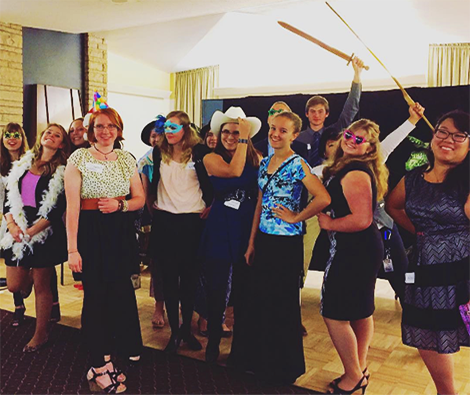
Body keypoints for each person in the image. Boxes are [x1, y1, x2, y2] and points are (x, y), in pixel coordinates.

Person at [386, 110, 470, 395]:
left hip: (462, 273)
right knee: (428, 337)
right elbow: (392, 206)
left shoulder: (466, 182)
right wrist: (422, 232)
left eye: (459, 135)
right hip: (424, 270)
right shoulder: (413, 180)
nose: (449, 139)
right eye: (442, 131)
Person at [244, 111, 330, 384]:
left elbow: (323, 197)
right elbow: (260, 202)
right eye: (272, 129)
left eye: (282, 130)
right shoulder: (264, 162)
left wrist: (296, 216)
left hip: (287, 243)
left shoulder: (298, 164)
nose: (275, 134)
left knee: (283, 304)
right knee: (263, 302)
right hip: (265, 241)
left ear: (294, 135)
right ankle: (262, 360)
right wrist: (251, 242)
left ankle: (284, 366)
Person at [65, 107, 144, 394]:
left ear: (119, 129)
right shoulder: (79, 157)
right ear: (91, 130)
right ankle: (98, 364)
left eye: (111, 126)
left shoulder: (126, 158)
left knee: (119, 293)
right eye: (99, 126)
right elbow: (72, 207)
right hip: (90, 231)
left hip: (120, 232)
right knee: (96, 297)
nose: (105, 130)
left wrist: (119, 205)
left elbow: (139, 198)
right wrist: (73, 249)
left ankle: (111, 354)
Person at [313, 119, 389, 394]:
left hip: (354, 249)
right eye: (349, 135)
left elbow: (361, 219)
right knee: (360, 311)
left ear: (370, 148)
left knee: (334, 313)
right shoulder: (348, 167)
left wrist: (329, 224)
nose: (351, 140)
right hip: (360, 249)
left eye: (359, 139)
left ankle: (354, 376)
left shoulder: (355, 172)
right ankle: (359, 368)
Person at [199, 107, 262, 363]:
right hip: (220, 228)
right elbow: (234, 172)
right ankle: (213, 340)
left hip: (247, 227)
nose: (230, 136)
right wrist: (245, 140)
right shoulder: (210, 158)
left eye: (236, 132)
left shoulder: (256, 158)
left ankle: (242, 348)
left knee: (245, 291)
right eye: (225, 131)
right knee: (217, 289)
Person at [148, 110, 213, 355]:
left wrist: (212, 205)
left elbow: (215, 184)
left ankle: (187, 329)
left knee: (189, 281)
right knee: (169, 281)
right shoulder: (158, 152)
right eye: (166, 128)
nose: (169, 132)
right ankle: (176, 332)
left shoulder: (200, 153)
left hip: (191, 223)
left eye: (174, 127)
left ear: (186, 129)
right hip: (165, 222)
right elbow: (152, 183)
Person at [2, 123, 70, 352]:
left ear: (61, 144)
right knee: (14, 285)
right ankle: (28, 274)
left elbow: (56, 208)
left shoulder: (61, 170)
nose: (50, 135)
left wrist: (31, 232)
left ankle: (40, 334)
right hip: (18, 224)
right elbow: (9, 197)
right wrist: (12, 225)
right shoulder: (23, 163)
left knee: (42, 284)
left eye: (56, 134)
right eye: (48, 132)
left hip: (44, 229)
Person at [296, 57, 364, 167]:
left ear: (327, 114)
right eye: (313, 111)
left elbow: (351, 108)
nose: (316, 115)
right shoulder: (296, 138)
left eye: (320, 111)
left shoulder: (336, 132)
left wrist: (357, 75)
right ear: (306, 114)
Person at [137, 116, 165, 328]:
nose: (156, 139)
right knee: (159, 264)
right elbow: (146, 193)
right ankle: (159, 306)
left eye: (160, 134)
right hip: (157, 215)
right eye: (153, 136)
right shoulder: (145, 161)